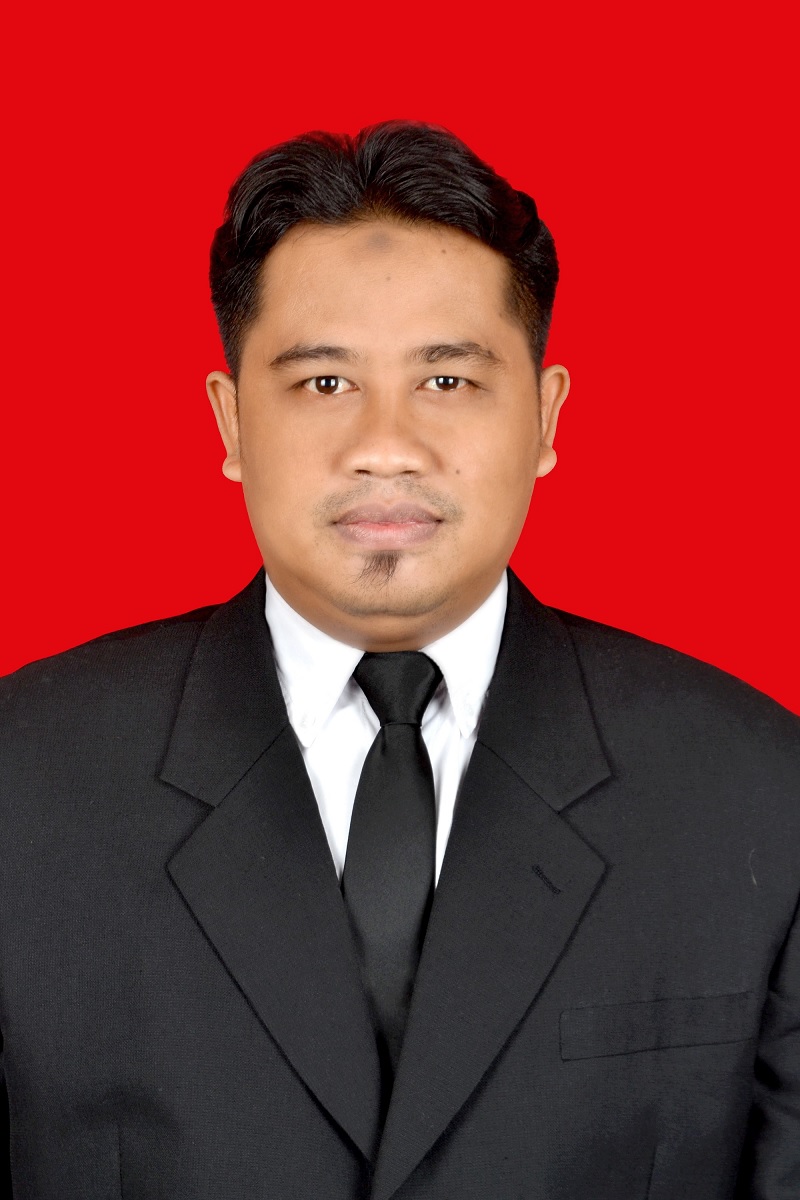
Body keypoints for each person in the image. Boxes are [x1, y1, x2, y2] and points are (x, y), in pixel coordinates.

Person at [0, 120, 798, 1200]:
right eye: (324, 383)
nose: (385, 445)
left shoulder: (757, 792)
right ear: (229, 421)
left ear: (545, 416)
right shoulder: (23, 781)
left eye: (448, 381)